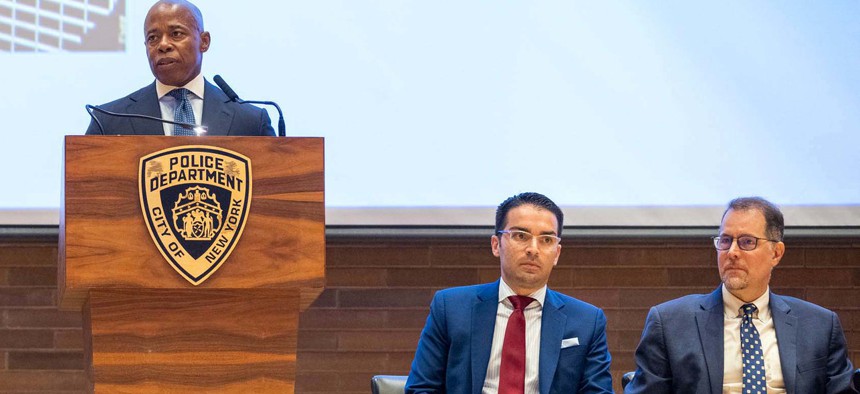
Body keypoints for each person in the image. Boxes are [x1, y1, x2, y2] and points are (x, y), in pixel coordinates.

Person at [625, 197, 857, 394]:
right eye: (725, 241)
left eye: (747, 242)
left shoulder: (820, 325)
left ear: (776, 253)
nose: (732, 252)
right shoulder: (670, 322)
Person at [405, 192, 613, 393]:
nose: (533, 249)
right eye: (521, 236)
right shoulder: (450, 308)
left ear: (557, 253)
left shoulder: (587, 321)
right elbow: (422, 388)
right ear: (496, 245)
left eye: (546, 240)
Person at [85, 0, 274, 136]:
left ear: (204, 41)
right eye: (153, 38)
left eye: (176, 34)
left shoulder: (250, 121)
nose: (163, 45)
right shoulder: (108, 121)